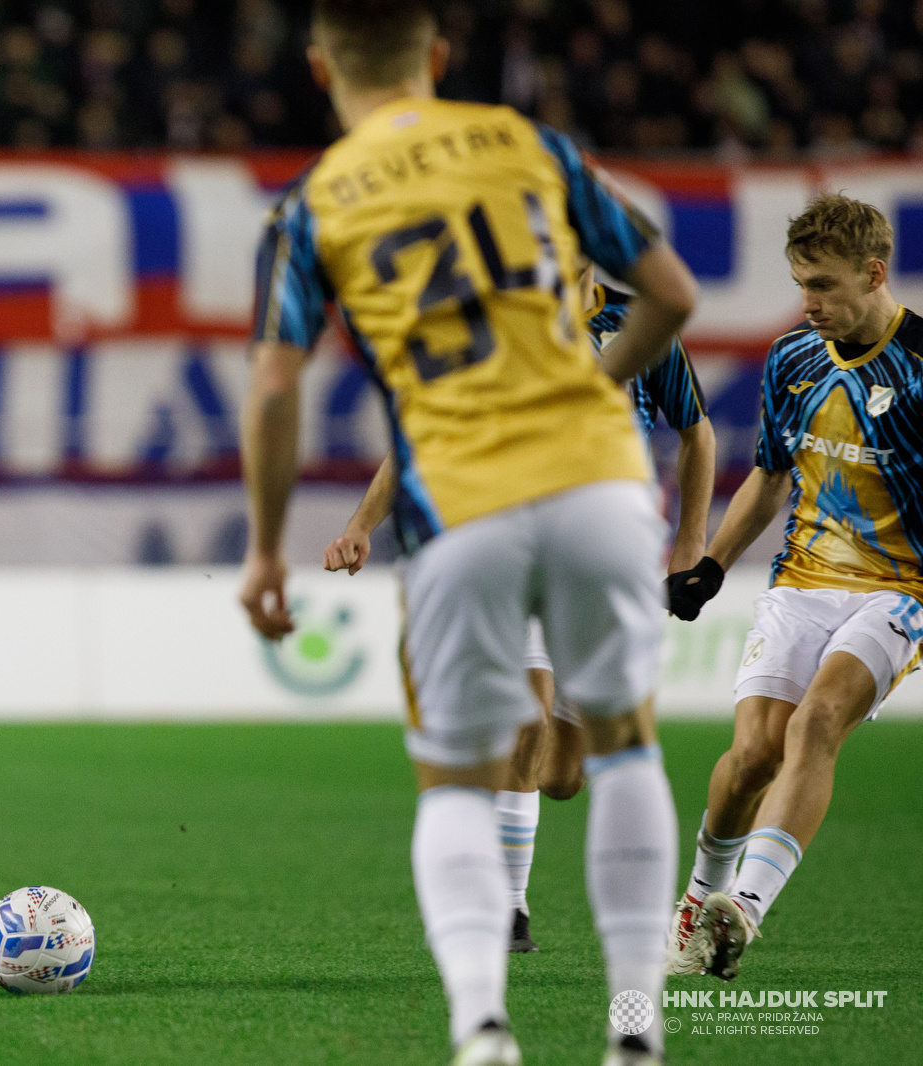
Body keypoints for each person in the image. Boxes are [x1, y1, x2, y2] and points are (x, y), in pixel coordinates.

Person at [243, 2, 699, 1063]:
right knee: (625, 750)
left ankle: (482, 1029)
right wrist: (591, 382)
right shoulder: (528, 144)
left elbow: (273, 386)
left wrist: (267, 547)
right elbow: (670, 291)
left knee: (456, 773)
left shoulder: (310, 205)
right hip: (599, 477)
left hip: (462, 497)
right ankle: (635, 1032)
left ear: (319, 68)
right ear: (438, 59)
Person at [664, 194, 923, 982]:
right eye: (799, 283)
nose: (807, 302)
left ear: (874, 274)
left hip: (900, 588)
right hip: (801, 581)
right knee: (749, 758)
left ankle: (742, 909)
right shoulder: (792, 359)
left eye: (821, 285)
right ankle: (698, 905)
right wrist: (711, 562)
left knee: (817, 724)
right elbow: (771, 476)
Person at [499, 259, 717, 954]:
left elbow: (697, 432)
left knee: (562, 776)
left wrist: (689, 541)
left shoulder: (640, 321)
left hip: (611, 555)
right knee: (523, 721)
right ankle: (510, 910)